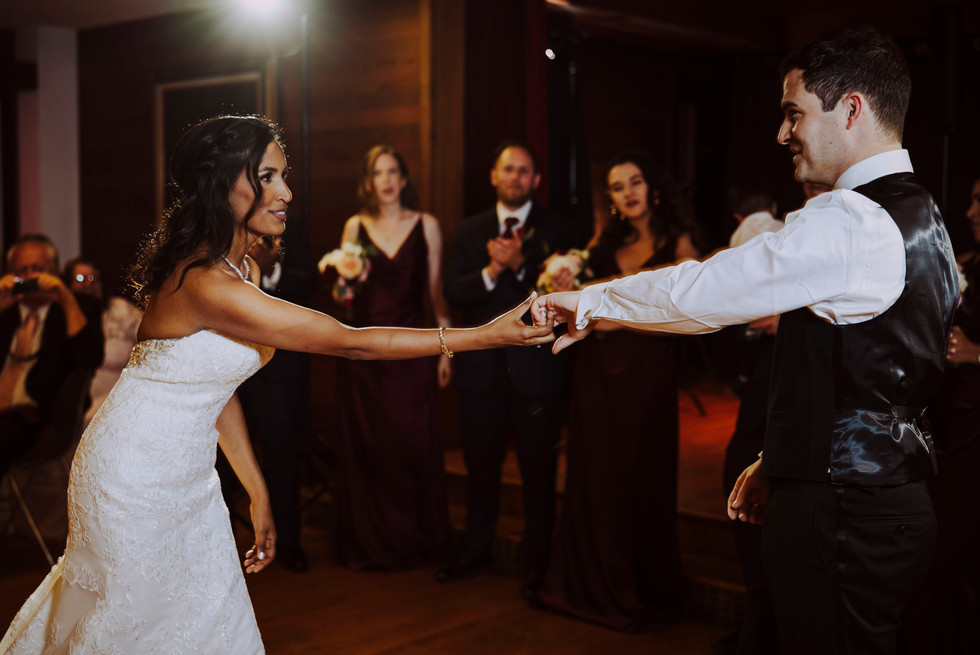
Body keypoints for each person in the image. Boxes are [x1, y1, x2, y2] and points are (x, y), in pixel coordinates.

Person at [0, 115, 554, 654]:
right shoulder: (206, 283)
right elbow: (350, 341)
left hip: (188, 476)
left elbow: (213, 389)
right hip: (133, 474)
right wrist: (486, 335)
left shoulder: (244, 271)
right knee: (133, 628)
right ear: (223, 187)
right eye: (267, 177)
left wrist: (256, 488)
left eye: (283, 175)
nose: (286, 192)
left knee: (202, 625)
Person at [531, 27, 958, 655]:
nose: (782, 134)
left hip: (843, 512)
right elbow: (874, 374)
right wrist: (785, 459)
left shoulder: (850, 218)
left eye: (794, 113)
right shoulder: (922, 212)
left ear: (851, 109)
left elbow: (708, 291)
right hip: (873, 497)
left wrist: (591, 300)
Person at [533, 154, 700, 629]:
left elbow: (682, 312)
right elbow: (578, 297)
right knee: (597, 474)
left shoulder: (677, 242)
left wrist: (613, 317)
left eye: (635, 182)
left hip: (647, 372)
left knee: (646, 474)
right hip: (597, 375)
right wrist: (564, 281)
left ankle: (650, 588)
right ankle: (593, 586)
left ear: (653, 187)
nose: (628, 192)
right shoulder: (601, 245)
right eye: (617, 186)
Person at [441, 140, 577, 599]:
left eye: (523, 170)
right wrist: (491, 271)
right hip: (481, 372)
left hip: (538, 371)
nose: (514, 177)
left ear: (535, 179)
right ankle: (476, 550)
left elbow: (569, 295)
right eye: (507, 169)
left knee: (538, 470)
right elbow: (454, 292)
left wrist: (520, 267)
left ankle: (537, 562)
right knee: (480, 466)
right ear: (493, 176)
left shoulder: (557, 228)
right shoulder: (470, 229)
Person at [330, 144, 453, 570]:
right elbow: (343, 298)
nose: (385, 180)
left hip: (413, 352)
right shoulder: (354, 226)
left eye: (392, 172)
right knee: (369, 446)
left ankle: (416, 540)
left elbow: (435, 293)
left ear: (403, 179)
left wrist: (445, 350)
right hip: (364, 357)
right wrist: (342, 284)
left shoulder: (427, 225)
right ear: (368, 183)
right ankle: (369, 543)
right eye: (377, 173)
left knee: (410, 443)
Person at [899, 176, 980, 654]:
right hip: (947, 419)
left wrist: (975, 353)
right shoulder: (966, 263)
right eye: (971, 199)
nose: (970, 211)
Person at [235, 236, 314, 573]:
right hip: (229, 365)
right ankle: (222, 539)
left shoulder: (288, 234)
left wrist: (269, 269)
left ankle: (289, 541)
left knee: (282, 456)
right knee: (221, 459)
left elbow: (308, 285)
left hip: (277, 371)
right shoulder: (226, 233)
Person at [0, 236, 104, 482]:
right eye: (21, 272)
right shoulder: (6, 310)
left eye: (38, 269)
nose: (30, 278)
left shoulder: (79, 306)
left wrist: (65, 297)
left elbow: (90, 358)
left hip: (41, 418)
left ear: (56, 271)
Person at [62, 256, 144, 425]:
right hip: (70, 406)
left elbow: (152, 343)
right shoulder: (60, 315)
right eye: (80, 279)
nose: (88, 284)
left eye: (94, 278)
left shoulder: (122, 311)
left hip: (116, 399)